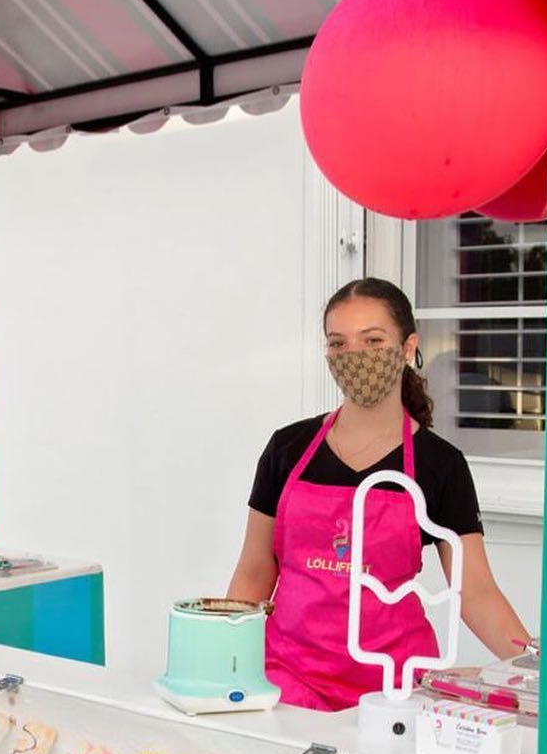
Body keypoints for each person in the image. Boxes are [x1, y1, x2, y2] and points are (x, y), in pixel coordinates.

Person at [227, 277, 530, 711]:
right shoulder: (287, 449)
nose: (354, 356)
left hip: (393, 688)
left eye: (373, 340)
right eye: (338, 344)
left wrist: (532, 671)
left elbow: (475, 592)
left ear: (408, 348)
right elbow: (256, 570)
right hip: (288, 679)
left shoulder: (440, 465)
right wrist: (223, 660)